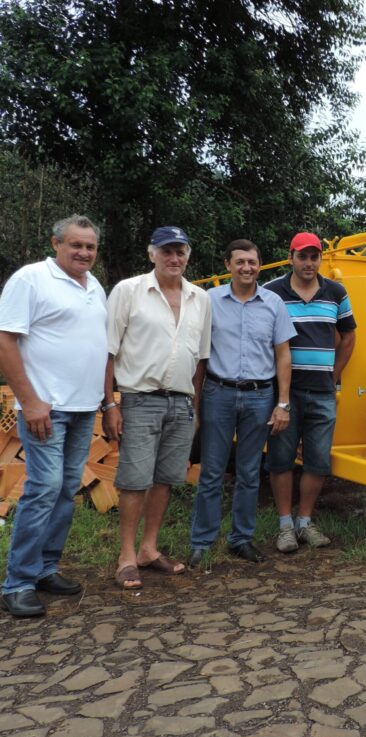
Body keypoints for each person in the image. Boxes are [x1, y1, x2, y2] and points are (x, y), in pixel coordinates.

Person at [0, 216, 107, 617]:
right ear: (56, 243)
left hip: (83, 408)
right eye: (76, 245)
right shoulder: (31, 279)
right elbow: (5, 340)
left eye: (90, 247)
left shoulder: (94, 286)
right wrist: (29, 401)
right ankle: (17, 583)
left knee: (65, 489)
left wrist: (103, 402)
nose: (84, 253)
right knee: (43, 488)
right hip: (46, 408)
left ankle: (46, 567)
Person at [103, 226, 212, 589]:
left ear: (188, 256)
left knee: (166, 479)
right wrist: (110, 404)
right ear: (152, 254)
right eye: (166, 251)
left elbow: (201, 361)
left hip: (181, 402)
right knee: (134, 480)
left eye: (180, 251)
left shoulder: (200, 299)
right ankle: (126, 557)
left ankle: (148, 549)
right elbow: (108, 351)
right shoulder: (129, 291)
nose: (174, 258)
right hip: (140, 399)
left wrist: (195, 408)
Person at [186, 240, 296, 567]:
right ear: (228, 265)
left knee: (249, 472)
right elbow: (200, 355)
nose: (246, 268)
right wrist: (195, 403)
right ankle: (201, 542)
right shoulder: (210, 300)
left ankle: (241, 539)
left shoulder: (274, 303)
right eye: (240, 262)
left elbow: (283, 354)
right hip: (218, 393)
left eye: (252, 262)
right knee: (212, 471)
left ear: (259, 265)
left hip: (260, 396)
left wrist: (283, 403)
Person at [264, 232, 356, 552]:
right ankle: (285, 525)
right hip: (284, 394)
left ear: (320, 259)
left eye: (314, 257)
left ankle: (305, 522)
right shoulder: (272, 292)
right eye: (302, 256)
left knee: (317, 461)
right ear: (290, 257)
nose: (308, 263)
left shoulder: (336, 292)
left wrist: (333, 376)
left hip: (321, 392)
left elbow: (349, 336)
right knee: (281, 459)